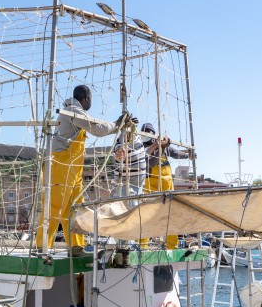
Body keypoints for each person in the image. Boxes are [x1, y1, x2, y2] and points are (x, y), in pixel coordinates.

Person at [35, 85, 132, 256]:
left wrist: (119, 126)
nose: (91, 102)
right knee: (55, 206)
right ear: (86, 97)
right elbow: (97, 128)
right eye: (91, 98)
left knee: (74, 208)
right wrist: (117, 124)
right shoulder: (72, 110)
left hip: (73, 169)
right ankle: (41, 247)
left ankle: (76, 247)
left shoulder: (76, 112)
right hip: (60, 165)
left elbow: (97, 126)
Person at [138, 123, 192, 249]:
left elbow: (176, 153)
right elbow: (151, 163)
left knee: (170, 215)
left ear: (153, 134)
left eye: (148, 132)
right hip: (150, 186)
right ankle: (142, 246)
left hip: (167, 186)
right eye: (143, 132)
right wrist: (159, 146)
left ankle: (172, 246)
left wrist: (188, 155)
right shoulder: (141, 149)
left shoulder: (165, 148)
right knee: (145, 215)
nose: (145, 135)